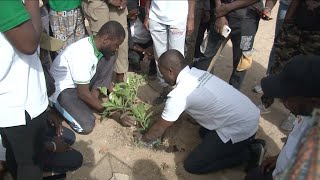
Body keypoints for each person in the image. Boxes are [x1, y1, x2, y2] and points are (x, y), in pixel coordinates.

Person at [138, 50, 265, 174]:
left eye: (162, 73)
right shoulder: (197, 72)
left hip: (241, 128)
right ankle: (238, 145)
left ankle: (250, 153)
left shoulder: (179, 95)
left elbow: (158, 128)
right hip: (248, 114)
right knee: (203, 132)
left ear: (170, 71)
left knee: (193, 165)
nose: (162, 76)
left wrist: (143, 140)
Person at [50, 21, 134, 135]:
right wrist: (116, 115)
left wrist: (117, 95)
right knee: (87, 125)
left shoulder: (97, 46)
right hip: (64, 91)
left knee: (111, 55)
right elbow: (82, 93)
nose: (117, 48)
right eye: (116, 45)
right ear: (105, 39)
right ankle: (57, 109)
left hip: (80, 83)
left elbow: (104, 72)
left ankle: (91, 100)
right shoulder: (83, 55)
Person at [244, 55, 320, 180]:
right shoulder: (308, 111)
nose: (281, 101)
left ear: (314, 102)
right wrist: (279, 157)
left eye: (286, 98)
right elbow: (295, 138)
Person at [0, 1, 49, 179]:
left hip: (8, 106)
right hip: (21, 103)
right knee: (30, 164)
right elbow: (29, 44)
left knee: (16, 156)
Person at [258, 0, 320, 130]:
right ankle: (265, 102)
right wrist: (287, 24)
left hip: (316, 37)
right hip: (295, 28)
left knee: (305, 77)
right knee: (279, 65)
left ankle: (294, 116)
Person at [194, 0, 263, 90]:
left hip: (248, 19)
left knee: (241, 63)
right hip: (222, 14)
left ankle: (232, 94)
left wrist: (227, 8)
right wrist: (220, 14)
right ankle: (197, 90)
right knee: (206, 55)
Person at [144, 0, 195, 104]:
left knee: (177, 58)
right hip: (156, 17)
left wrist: (191, 17)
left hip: (178, 17)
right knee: (159, 57)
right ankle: (165, 89)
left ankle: (178, 91)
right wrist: (147, 14)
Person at [82, 0, 129, 83]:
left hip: (118, 3)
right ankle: (99, 84)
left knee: (121, 41)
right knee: (102, 42)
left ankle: (120, 80)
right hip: (97, 2)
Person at [127, 0, 156, 76]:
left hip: (149, 42)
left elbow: (155, 33)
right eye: (130, 15)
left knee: (156, 53)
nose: (133, 17)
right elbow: (130, 42)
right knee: (134, 57)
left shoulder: (144, 14)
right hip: (136, 45)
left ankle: (153, 70)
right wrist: (144, 51)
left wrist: (151, 48)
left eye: (135, 14)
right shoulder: (125, 21)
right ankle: (135, 66)